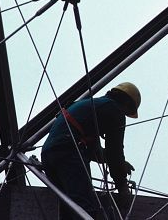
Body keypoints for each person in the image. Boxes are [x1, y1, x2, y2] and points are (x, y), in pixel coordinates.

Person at [41, 82, 141, 220]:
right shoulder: (114, 110)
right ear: (127, 104)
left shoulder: (93, 106)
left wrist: (120, 164)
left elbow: (96, 152)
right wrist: (122, 186)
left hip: (49, 153)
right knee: (84, 208)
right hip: (69, 153)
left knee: (70, 208)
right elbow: (115, 151)